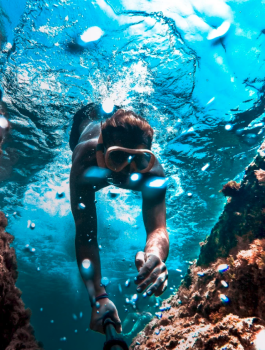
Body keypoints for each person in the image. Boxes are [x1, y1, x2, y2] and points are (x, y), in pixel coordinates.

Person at [69, 103, 170, 334]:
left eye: (139, 160)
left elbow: (158, 229)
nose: (128, 171)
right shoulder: (84, 159)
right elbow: (85, 236)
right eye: (117, 158)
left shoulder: (153, 173)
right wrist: (98, 297)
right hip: (84, 119)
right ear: (100, 152)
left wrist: (155, 254)